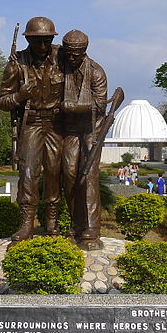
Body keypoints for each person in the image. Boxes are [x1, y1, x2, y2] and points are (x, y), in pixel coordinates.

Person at [0, 16, 64, 240]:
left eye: (47, 40)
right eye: (38, 41)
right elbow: (1, 101)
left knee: (55, 173)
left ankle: (51, 223)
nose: (43, 46)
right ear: (29, 40)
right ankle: (26, 225)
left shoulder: (62, 58)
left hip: (56, 125)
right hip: (31, 124)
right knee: (28, 174)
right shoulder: (17, 64)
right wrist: (20, 95)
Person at [56, 29, 108, 248]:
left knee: (87, 176)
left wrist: (72, 107)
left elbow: (100, 105)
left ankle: (91, 230)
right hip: (69, 131)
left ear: (84, 51)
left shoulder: (96, 72)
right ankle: (76, 223)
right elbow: (40, 50)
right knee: (68, 175)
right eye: (68, 53)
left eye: (76, 54)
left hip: (91, 130)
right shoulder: (60, 62)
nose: (72, 58)